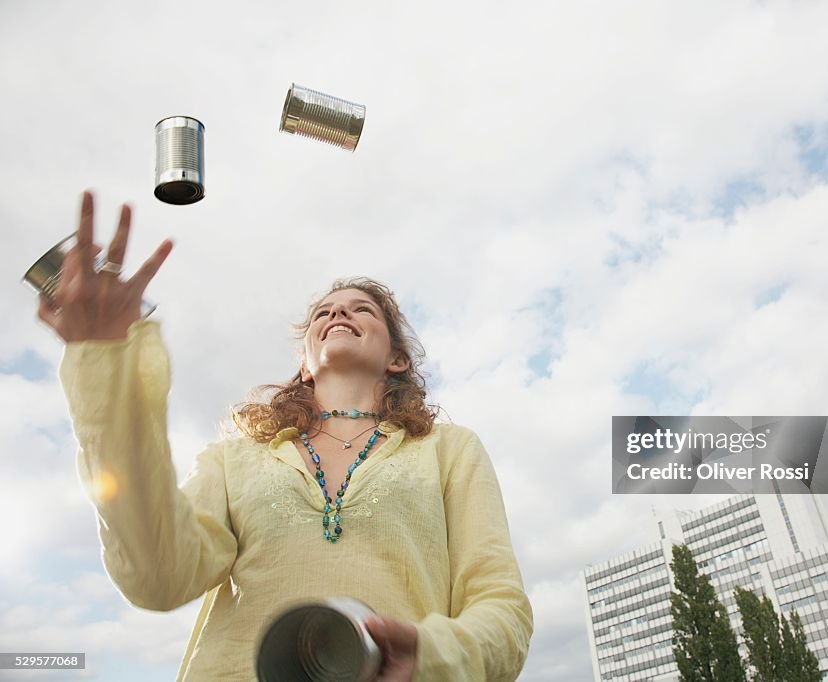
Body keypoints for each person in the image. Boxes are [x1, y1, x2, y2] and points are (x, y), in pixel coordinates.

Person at [41, 191, 534, 681]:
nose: (337, 315)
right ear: (304, 361)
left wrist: (432, 654)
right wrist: (103, 365)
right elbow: (158, 578)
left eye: (361, 310)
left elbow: (501, 607)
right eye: (323, 313)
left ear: (397, 358)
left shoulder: (450, 450)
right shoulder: (234, 460)